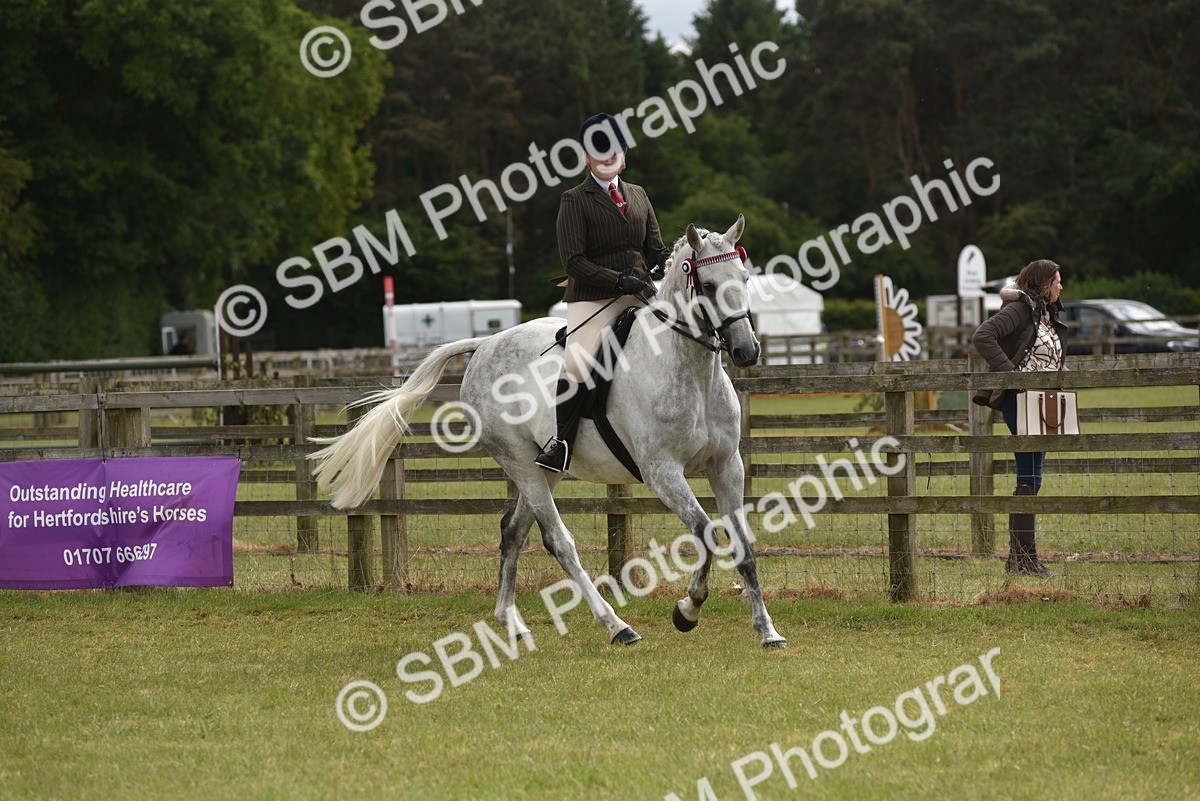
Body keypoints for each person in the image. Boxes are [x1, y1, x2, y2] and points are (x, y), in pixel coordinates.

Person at [534, 113, 670, 472]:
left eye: (614, 149)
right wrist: (616, 280)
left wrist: (681, 264)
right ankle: (561, 443)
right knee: (579, 361)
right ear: (586, 157)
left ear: (624, 153)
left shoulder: (639, 195)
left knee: (680, 337)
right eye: (599, 150)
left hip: (640, 292)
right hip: (593, 297)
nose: (608, 156)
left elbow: (657, 250)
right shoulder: (574, 199)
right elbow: (573, 261)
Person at [971, 259, 1067, 576]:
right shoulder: (1020, 309)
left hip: (1044, 399)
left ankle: (1022, 558)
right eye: (1057, 281)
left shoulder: (1046, 313)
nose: (1060, 287)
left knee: (1034, 477)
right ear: (1043, 283)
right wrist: (1011, 376)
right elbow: (983, 336)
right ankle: (1024, 559)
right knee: (1028, 475)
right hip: (1021, 398)